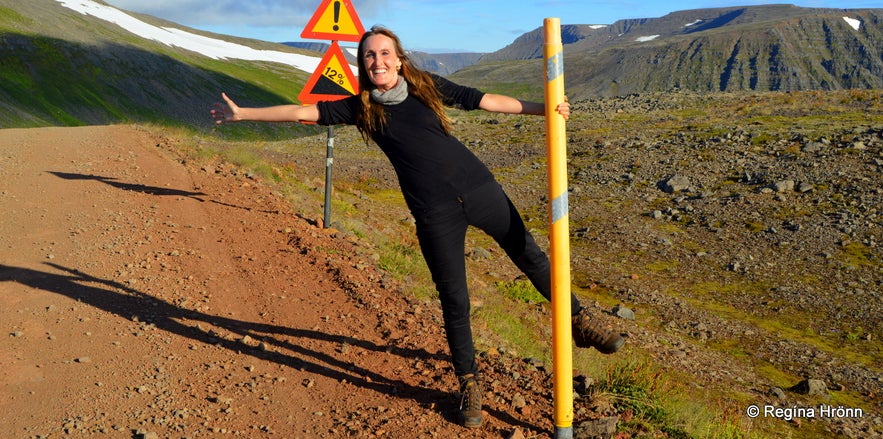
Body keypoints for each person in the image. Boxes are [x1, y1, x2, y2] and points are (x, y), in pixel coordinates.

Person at [210, 26, 624, 429]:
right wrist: (244, 113)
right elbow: (304, 112)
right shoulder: (360, 107)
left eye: (385, 53)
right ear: (363, 64)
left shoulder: (426, 85)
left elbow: (482, 100)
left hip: (480, 189)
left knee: (531, 257)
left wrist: (544, 109)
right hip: (434, 213)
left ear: (400, 58)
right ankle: (469, 385)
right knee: (454, 299)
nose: (378, 61)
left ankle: (581, 322)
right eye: (369, 55)